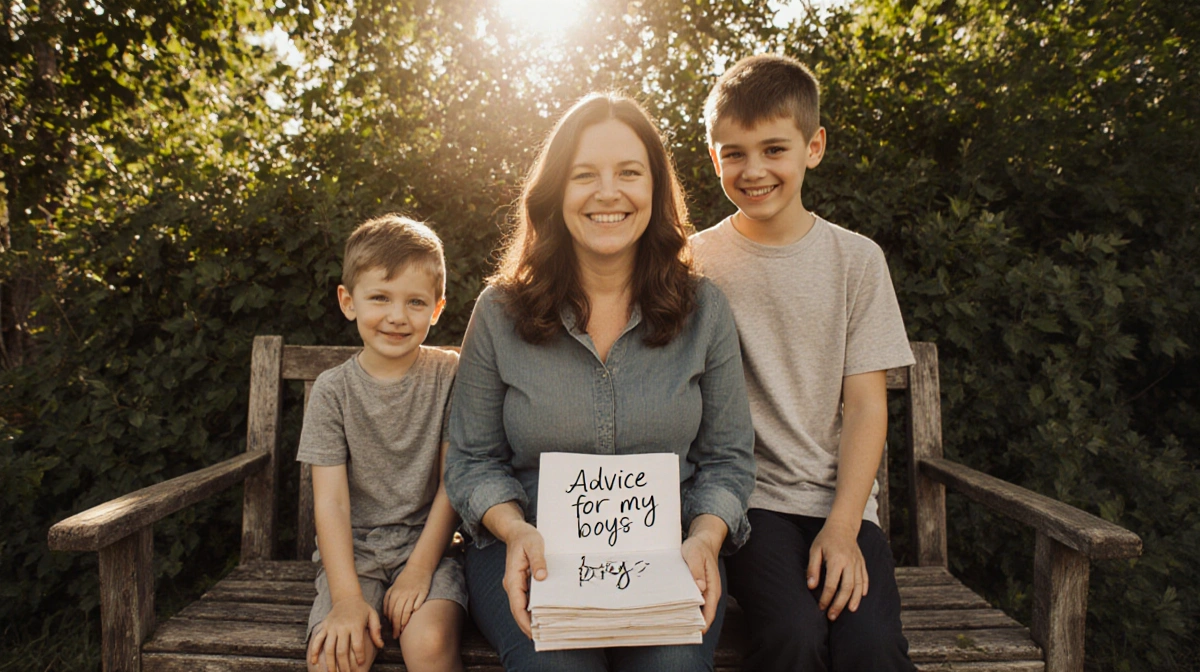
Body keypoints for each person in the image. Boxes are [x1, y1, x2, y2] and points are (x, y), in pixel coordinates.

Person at [444, 93, 756, 672]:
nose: (607, 193)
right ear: (557, 191)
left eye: (629, 173)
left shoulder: (704, 310)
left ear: (656, 191)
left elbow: (728, 459)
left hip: (669, 551)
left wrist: (706, 537)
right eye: (584, 174)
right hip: (530, 548)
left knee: (673, 667)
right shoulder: (499, 311)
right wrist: (512, 530)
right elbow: (471, 459)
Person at [691, 54, 917, 671]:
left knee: (871, 645)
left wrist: (844, 526)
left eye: (773, 149)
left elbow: (867, 404)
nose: (754, 169)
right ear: (714, 158)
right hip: (749, 504)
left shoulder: (856, 260)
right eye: (733, 153)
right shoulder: (694, 263)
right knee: (793, 634)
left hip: (840, 501)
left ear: (813, 147)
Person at [298, 215, 467, 672]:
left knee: (429, 642)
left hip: (429, 549)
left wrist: (419, 569)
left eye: (415, 302)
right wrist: (347, 599)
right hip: (354, 558)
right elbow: (330, 503)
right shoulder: (333, 391)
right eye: (379, 298)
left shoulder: (449, 376)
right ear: (348, 301)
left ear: (436, 309)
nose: (397, 316)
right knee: (337, 655)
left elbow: (454, 481)